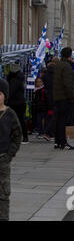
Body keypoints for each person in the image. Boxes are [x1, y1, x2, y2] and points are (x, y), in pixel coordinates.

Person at [0, 78, 22, 221]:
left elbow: (17, 135)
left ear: (5, 96)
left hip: (2, 159)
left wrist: (9, 154)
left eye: (0, 93)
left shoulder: (10, 114)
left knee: (3, 192)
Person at [53, 47, 74, 150]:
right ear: (70, 55)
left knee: (58, 120)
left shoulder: (58, 65)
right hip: (64, 97)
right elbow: (68, 84)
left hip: (57, 97)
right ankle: (63, 142)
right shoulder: (66, 66)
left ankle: (57, 142)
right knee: (63, 121)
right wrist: (71, 96)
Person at [7, 61, 28, 144]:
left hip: (14, 103)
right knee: (21, 120)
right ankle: (24, 137)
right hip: (20, 102)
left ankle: (20, 137)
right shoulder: (20, 78)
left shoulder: (14, 80)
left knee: (13, 120)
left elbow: (11, 92)